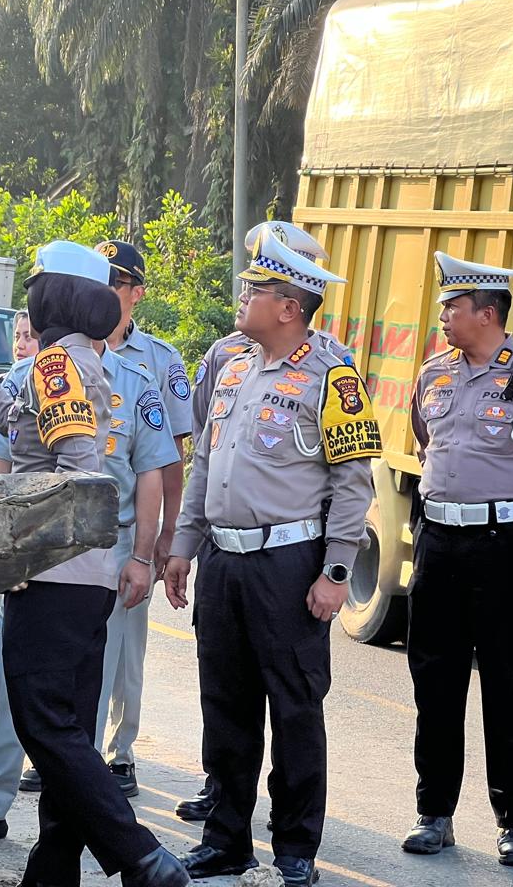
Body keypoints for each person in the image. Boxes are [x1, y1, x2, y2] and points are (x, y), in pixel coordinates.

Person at [0, 240, 190, 887]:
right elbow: (16, 422)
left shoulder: (59, 366)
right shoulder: (73, 363)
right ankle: (54, 870)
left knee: (44, 724)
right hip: (84, 577)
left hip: (54, 575)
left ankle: (142, 855)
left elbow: (79, 470)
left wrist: (24, 534)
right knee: (69, 733)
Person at [163, 235, 379, 886]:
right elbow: (205, 467)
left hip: (289, 565)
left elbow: (353, 482)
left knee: (293, 710)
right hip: (224, 566)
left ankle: (294, 848)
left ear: (289, 306)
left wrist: (336, 571)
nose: (243, 298)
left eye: (255, 291)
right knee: (225, 707)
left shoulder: (333, 378)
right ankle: (226, 839)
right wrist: (182, 547)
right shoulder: (232, 370)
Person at [0, 331, 178, 848]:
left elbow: (152, 472)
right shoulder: (31, 373)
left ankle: (72, 819)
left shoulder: (137, 382)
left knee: (80, 701)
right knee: (5, 684)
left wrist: (145, 554)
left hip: (104, 552)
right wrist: (2, 548)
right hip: (29, 553)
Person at [401, 252, 513, 867]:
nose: (443, 316)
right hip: (440, 543)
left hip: (506, 548)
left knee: (506, 684)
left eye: (453, 306)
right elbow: (425, 440)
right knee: (435, 681)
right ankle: (434, 813)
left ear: (488, 313)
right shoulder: (433, 375)